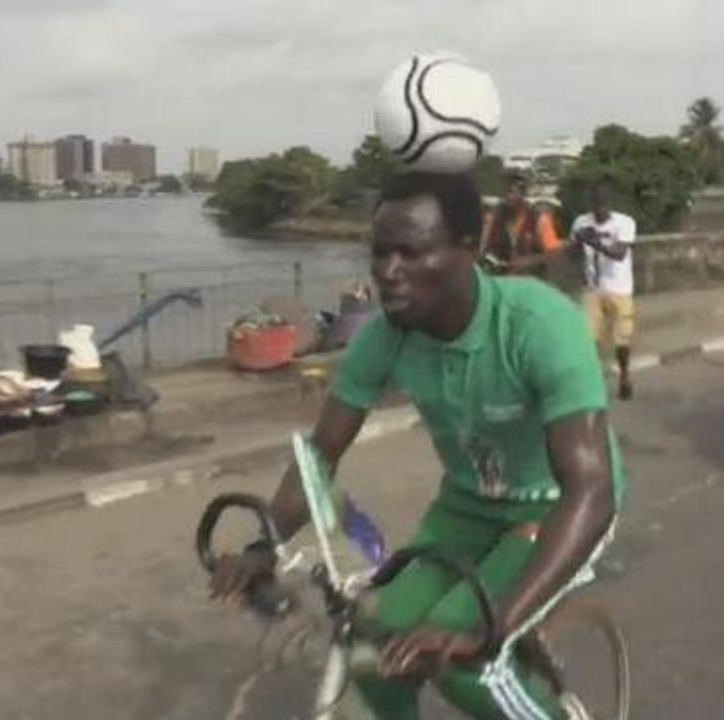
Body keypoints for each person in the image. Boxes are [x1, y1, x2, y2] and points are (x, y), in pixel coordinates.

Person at [210, 172, 624, 719]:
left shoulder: (538, 324)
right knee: (372, 650)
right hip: (466, 510)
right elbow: (320, 456)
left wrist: (489, 626)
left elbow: (590, 492)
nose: (388, 272)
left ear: (467, 250)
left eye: (412, 253)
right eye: (380, 253)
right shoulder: (384, 338)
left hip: (553, 509)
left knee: (462, 663)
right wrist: (264, 546)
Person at [570, 181, 637, 400]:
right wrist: (578, 242)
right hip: (592, 288)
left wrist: (593, 241)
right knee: (587, 339)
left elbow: (619, 254)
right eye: (597, 204)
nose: (600, 209)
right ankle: (592, 381)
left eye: (604, 205)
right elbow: (573, 254)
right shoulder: (581, 222)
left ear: (610, 204)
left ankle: (624, 375)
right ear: (592, 203)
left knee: (621, 340)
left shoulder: (625, 223)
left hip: (620, 288)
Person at [482, 174, 561, 277]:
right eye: (505, 192)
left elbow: (555, 255)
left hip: (530, 283)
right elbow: (485, 249)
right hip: (501, 281)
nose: (507, 197)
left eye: (512, 192)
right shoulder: (495, 217)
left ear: (523, 194)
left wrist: (530, 261)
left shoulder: (539, 219)